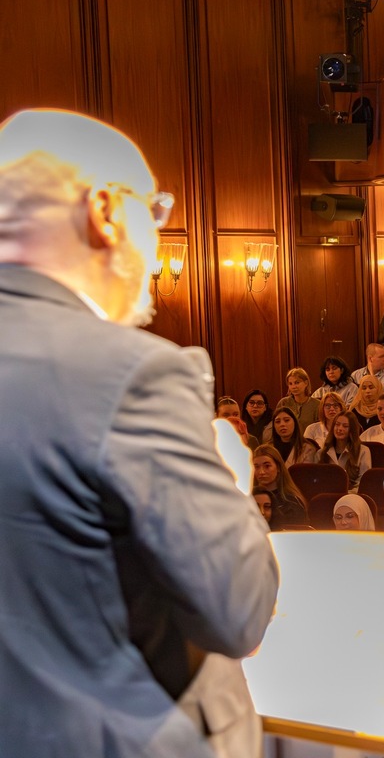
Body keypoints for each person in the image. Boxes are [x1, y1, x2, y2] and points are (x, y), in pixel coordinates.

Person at [0, 108, 284, 756]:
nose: (156, 243)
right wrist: (231, 479)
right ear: (103, 211)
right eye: (153, 211)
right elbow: (238, 614)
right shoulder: (132, 373)